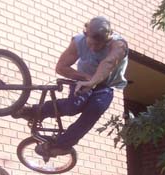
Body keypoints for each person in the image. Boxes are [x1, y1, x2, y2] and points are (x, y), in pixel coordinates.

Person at [12, 16, 129, 156]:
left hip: (105, 85)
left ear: (107, 40)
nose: (92, 49)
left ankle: (62, 145)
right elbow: (61, 67)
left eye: (98, 46)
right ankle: (33, 112)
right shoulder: (78, 41)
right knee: (74, 105)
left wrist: (92, 82)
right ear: (86, 34)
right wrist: (85, 78)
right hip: (83, 80)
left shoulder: (119, 45)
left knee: (95, 108)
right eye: (90, 44)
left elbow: (108, 63)